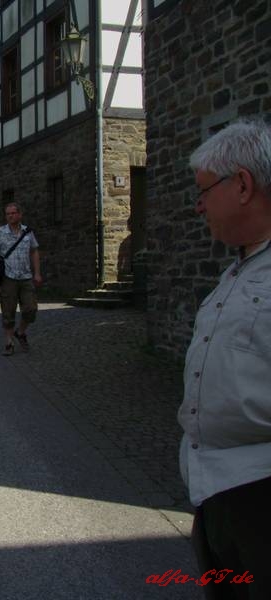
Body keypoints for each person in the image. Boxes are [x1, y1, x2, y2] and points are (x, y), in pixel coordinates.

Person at [178, 119, 271, 599]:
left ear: (243, 185)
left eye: (204, 190)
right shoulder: (236, 271)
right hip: (215, 493)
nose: (199, 205)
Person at [0, 203, 41, 356]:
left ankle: (20, 332)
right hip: (8, 277)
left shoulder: (28, 232)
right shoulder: (0, 232)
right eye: (8, 214)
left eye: (13, 213)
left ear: (20, 214)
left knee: (31, 309)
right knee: (8, 311)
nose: (10, 216)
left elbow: (34, 251)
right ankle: (9, 341)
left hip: (26, 277)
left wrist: (37, 273)